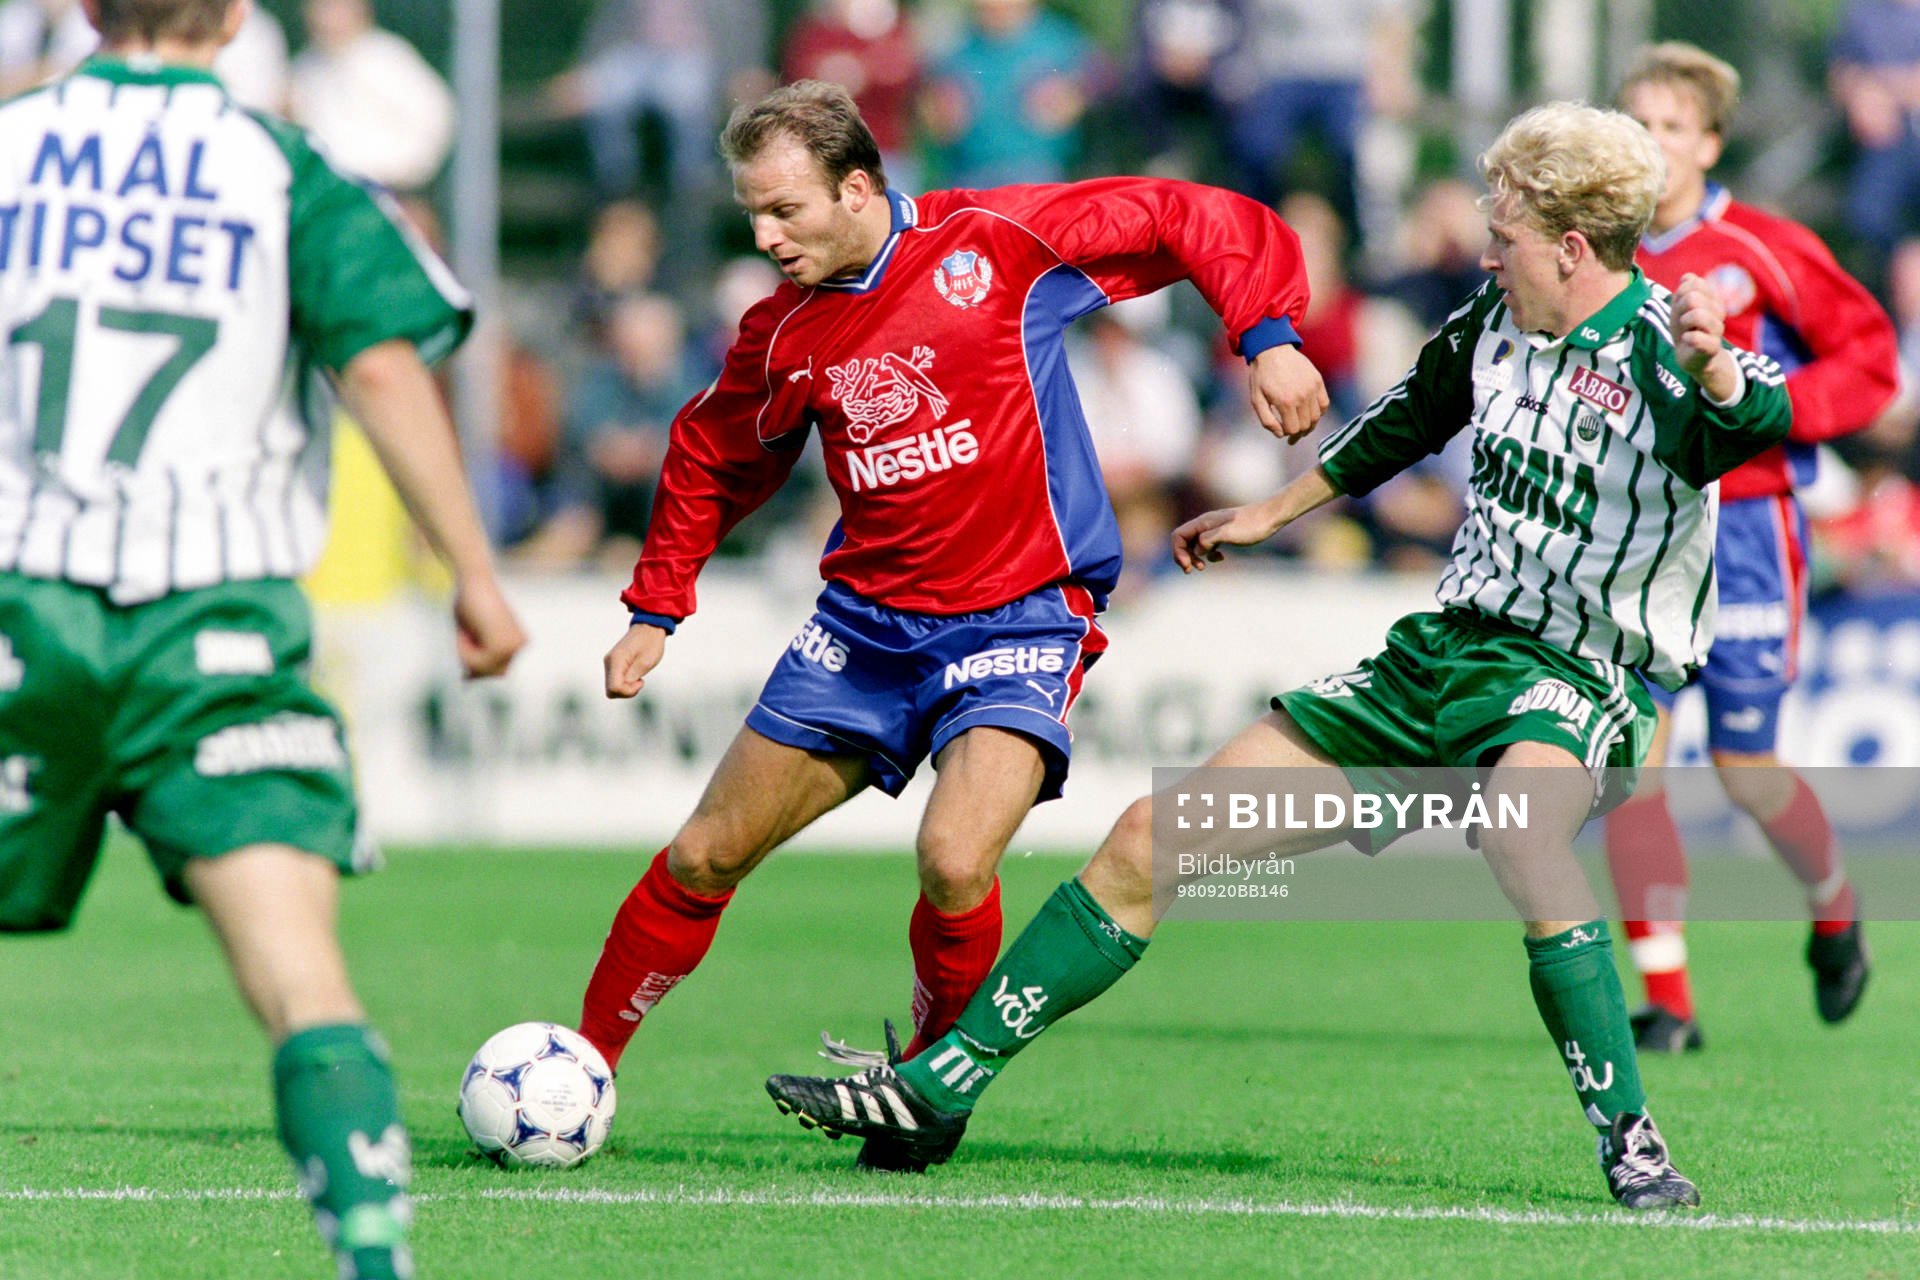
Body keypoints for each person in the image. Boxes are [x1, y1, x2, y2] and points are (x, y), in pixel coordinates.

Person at [768, 102, 1793, 1210]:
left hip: (1575, 671)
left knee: (1522, 829)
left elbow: (1750, 422)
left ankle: (1633, 1141)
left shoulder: (1664, 346)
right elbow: (1406, 420)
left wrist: (1716, 372)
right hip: (1440, 659)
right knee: (1151, 839)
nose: (1486, 251)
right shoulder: (1495, 319)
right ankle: (941, 1088)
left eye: (1504, 234)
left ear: (1572, 247)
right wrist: (1269, 513)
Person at [572, 79, 1328, 1173]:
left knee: (955, 859)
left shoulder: (995, 241)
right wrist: (658, 602)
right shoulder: (781, 332)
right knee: (703, 852)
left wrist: (1267, 334)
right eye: (752, 214)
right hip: (864, 629)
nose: (765, 236)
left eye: (784, 210)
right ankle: (582, 1067)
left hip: (1023, 613)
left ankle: (927, 1090)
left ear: (857, 187)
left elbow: (1191, 214)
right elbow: (713, 454)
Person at [0, 2, 526, 1277]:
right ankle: (372, 1249)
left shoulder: (9, 146)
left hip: (17, 600)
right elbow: (385, 369)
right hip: (212, 624)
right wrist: (472, 569)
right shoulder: (283, 168)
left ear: (86, 9)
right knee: (300, 979)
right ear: (236, 17)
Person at [1608, 42, 1896, 1053]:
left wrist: (1771, 408)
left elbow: (1869, 359)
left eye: (1672, 126)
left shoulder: (1765, 247)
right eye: (1635, 123)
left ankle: (1835, 906)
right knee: (1631, 763)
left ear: (1710, 144)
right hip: (1639, 537)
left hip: (1746, 531)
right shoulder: (1597, 254)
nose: (1652, 143)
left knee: (1746, 770)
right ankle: (1669, 1001)